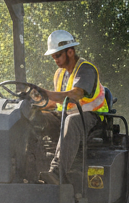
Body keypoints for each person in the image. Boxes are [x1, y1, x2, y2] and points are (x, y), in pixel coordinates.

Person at [37, 29, 109, 184]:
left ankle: (56, 173)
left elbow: (76, 95)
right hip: (65, 116)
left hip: (92, 118)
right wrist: (36, 105)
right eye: (53, 56)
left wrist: (46, 93)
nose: (54, 59)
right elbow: (55, 102)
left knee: (72, 121)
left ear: (70, 52)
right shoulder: (59, 73)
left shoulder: (86, 69)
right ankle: (28, 166)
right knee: (35, 118)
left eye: (57, 55)